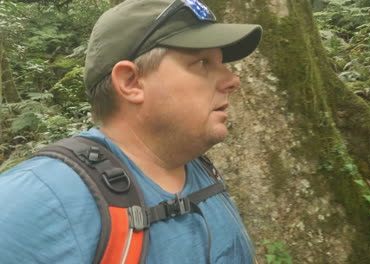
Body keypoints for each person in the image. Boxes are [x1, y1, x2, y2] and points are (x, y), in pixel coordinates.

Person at [0, 0, 262, 263]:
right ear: (131, 82)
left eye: (221, 62)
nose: (232, 80)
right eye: (203, 63)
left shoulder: (201, 170)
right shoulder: (39, 200)